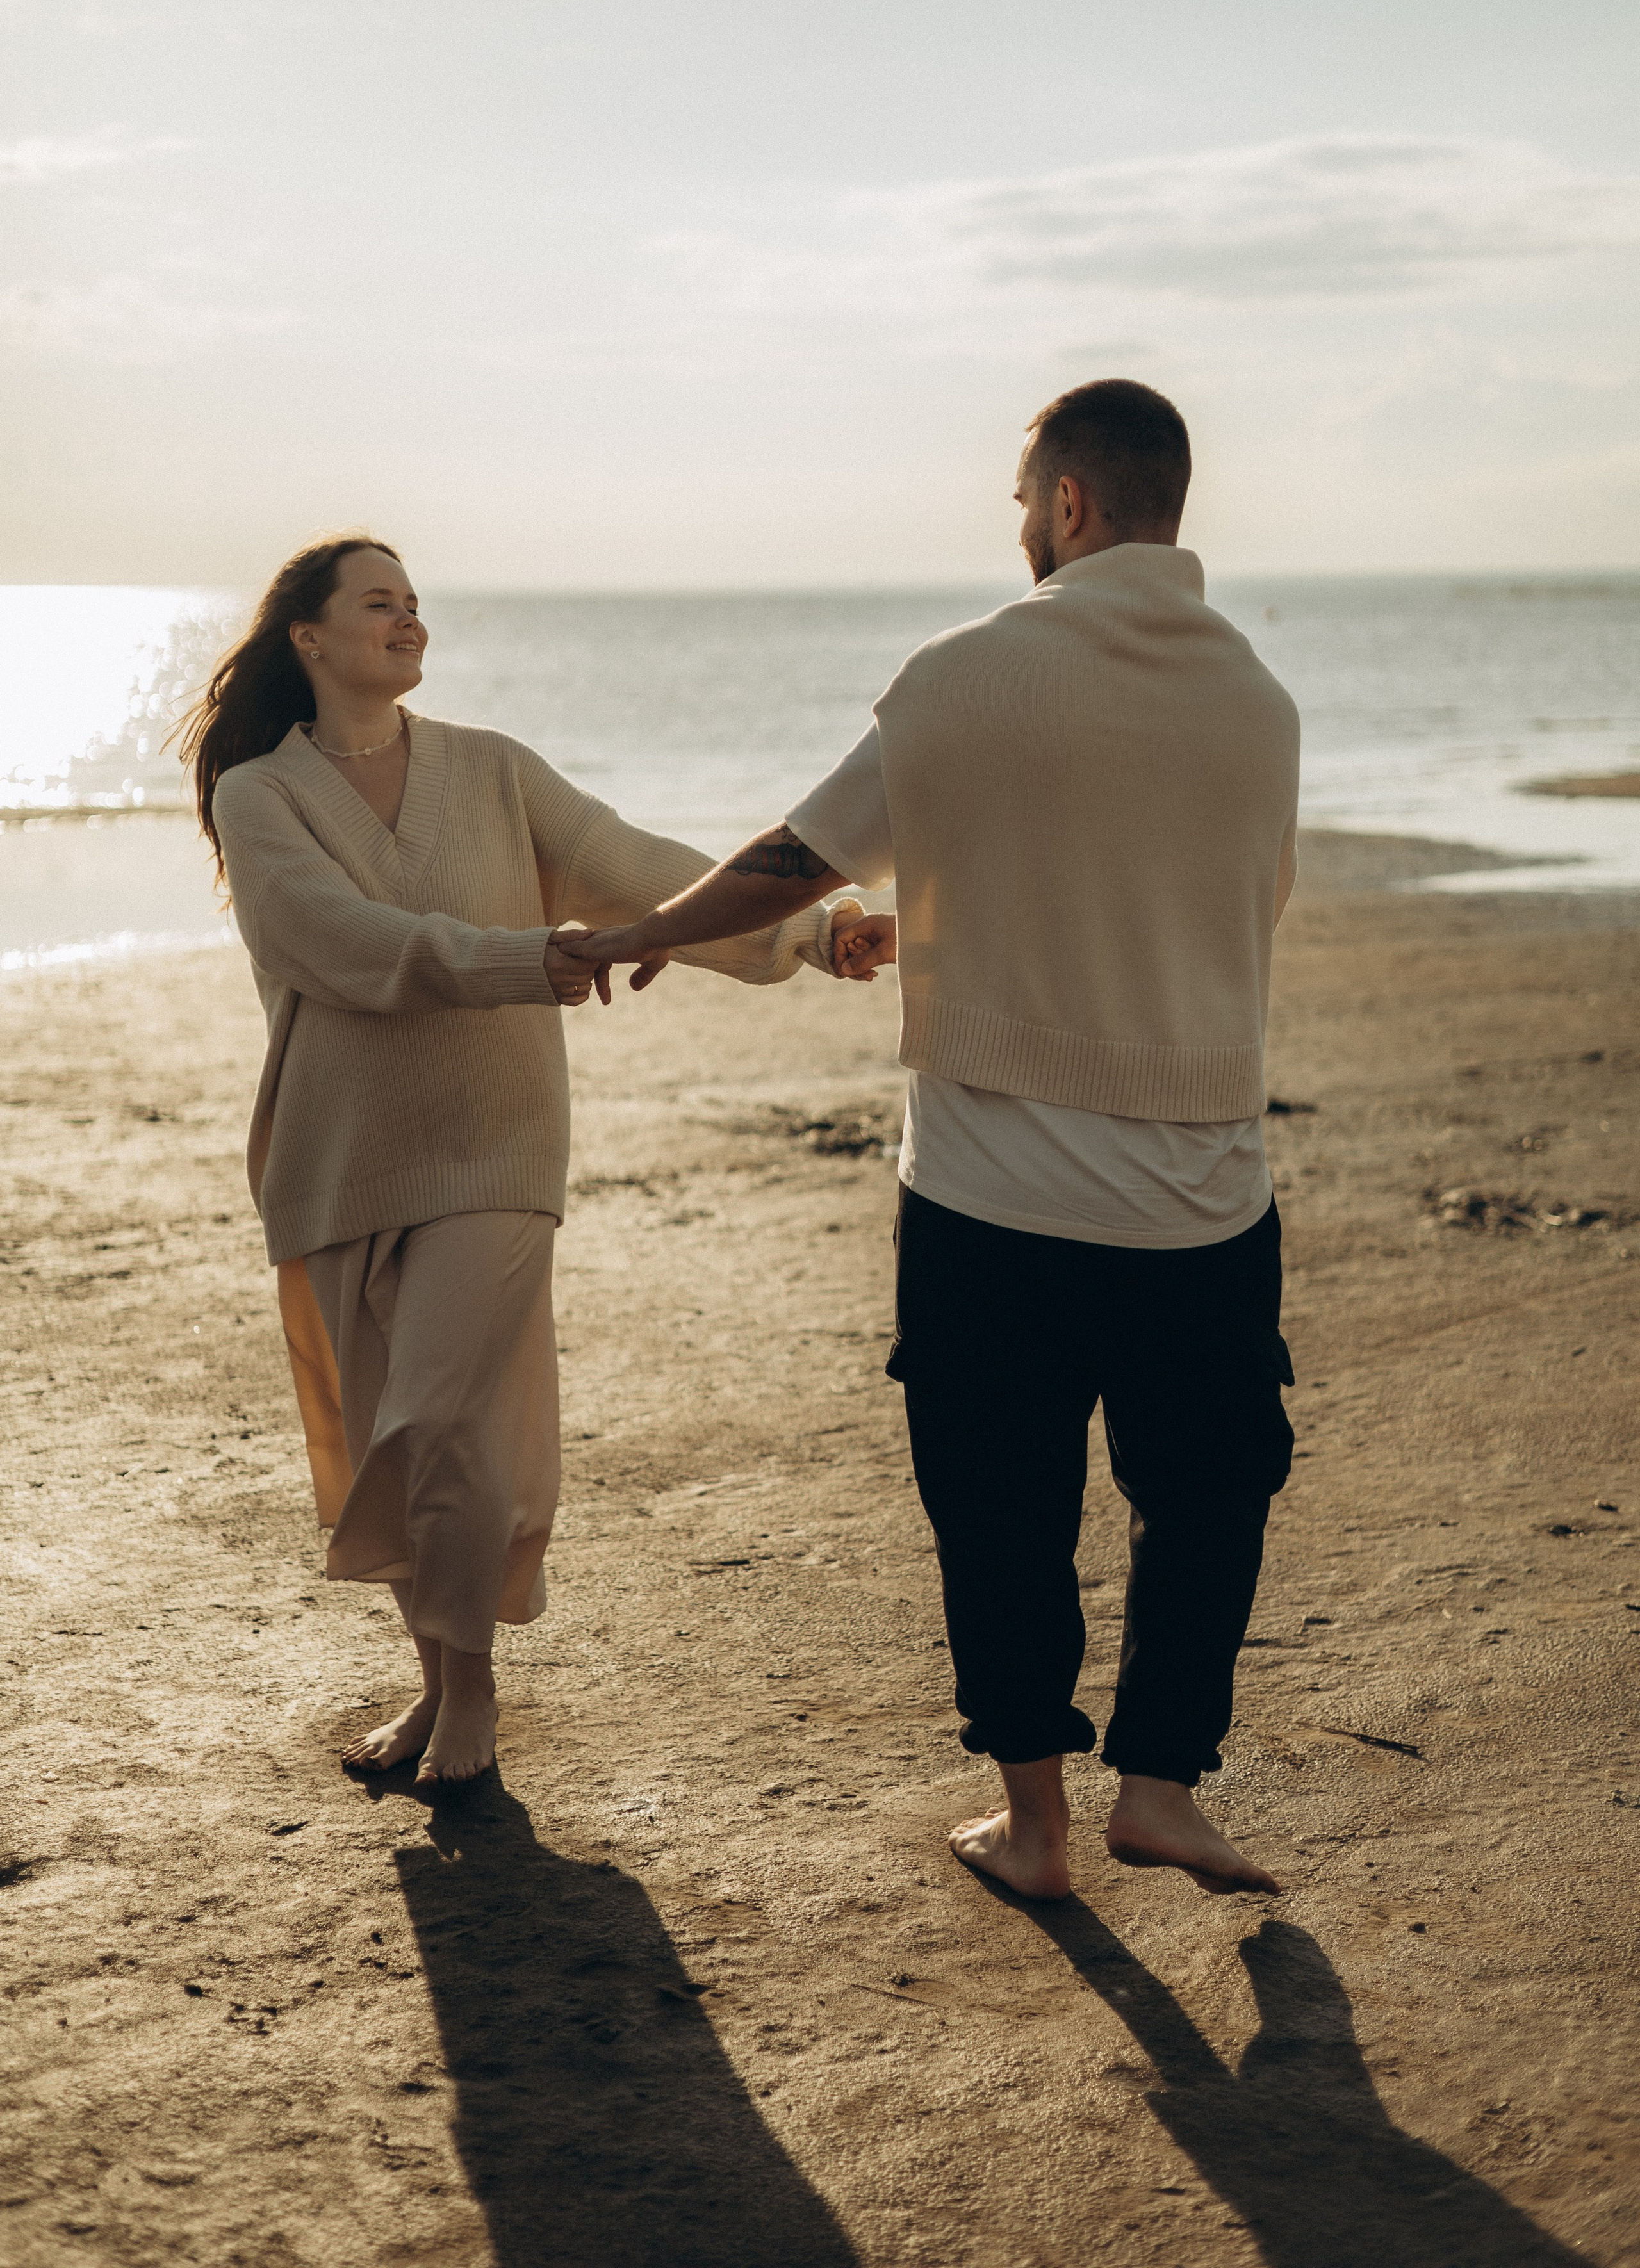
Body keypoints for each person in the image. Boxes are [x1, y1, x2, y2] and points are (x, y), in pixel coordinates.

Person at [562, 380, 1301, 1897]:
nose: (1022, 526)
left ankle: (1032, 1830)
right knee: (1209, 1492)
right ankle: (1157, 1788)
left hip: (993, 1201)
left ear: (1070, 506)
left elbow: (793, 856)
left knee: (1000, 1502)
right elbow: (1220, 909)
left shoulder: (967, 675)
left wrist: (651, 927)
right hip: (1201, 1199)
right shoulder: (1259, 702)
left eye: (1026, 500)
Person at [180, 535, 859, 1786]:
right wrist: (520, 958)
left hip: (494, 1142)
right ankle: (435, 1692)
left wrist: (812, 932)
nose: (407, 619)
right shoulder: (259, 796)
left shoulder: (491, 770)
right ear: (308, 640)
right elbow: (337, 941)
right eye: (377, 603)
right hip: (334, 1161)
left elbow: (633, 865)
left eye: (414, 603)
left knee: (442, 1415)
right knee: (383, 1453)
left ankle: (475, 1700)